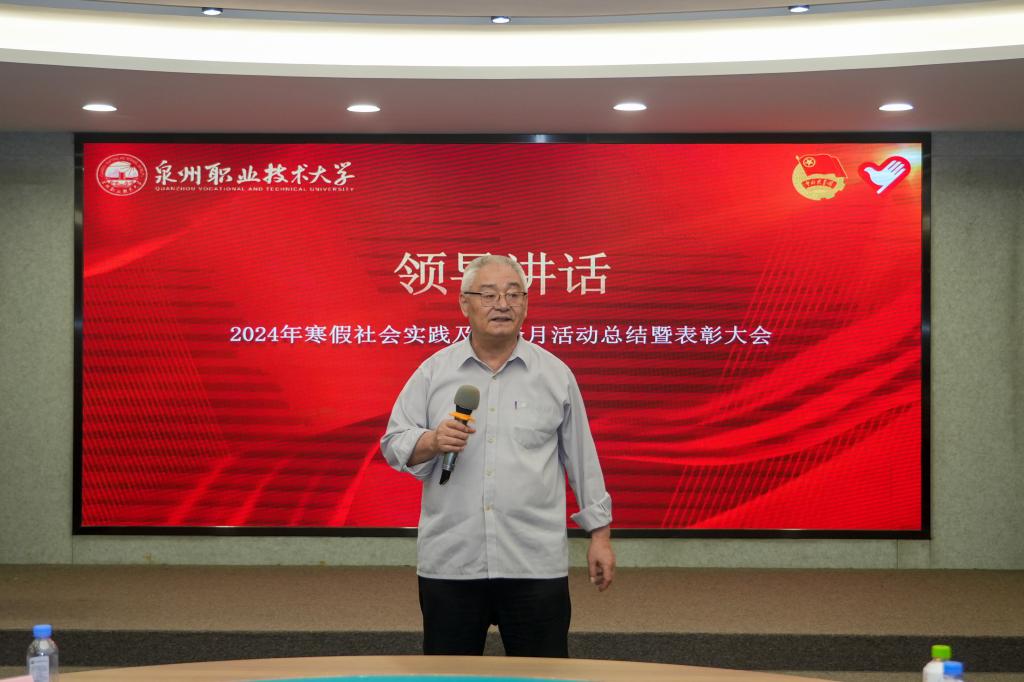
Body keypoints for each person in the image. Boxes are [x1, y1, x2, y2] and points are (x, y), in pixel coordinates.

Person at [381, 254, 615, 658]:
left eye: (513, 294)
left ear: (526, 303)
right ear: (464, 303)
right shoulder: (434, 372)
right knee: (448, 676)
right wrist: (432, 441)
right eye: (488, 295)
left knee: (543, 676)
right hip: (453, 561)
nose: (502, 305)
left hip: (534, 563)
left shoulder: (554, 375)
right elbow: (394, 442)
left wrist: (600, 536)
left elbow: (582, 459)